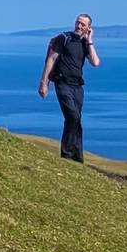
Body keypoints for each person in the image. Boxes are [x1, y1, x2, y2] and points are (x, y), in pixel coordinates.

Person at [39, 14, 101, 163]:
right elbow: (51, 60)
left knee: (76, 120)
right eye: (77, 23)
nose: (79, 26)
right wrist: (44, 83)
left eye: (83, 25)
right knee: (72, 116)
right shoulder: (63, 38)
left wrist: (90, 41)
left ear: (88, 28)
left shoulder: (86, 43)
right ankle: (66, 155)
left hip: (77, 86)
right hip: (62, 83)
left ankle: (77, 157)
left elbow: (96, 62)